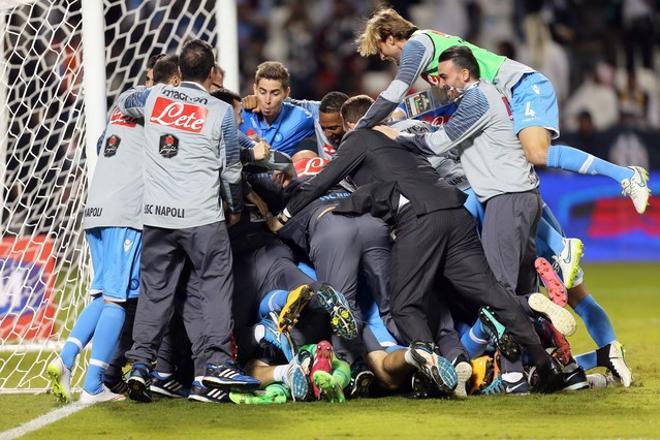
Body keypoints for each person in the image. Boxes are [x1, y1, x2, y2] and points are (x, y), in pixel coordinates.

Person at [271, 94, 567, 394]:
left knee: (404, 305)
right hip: (454, 209)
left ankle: (434, 370)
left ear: (352, 124)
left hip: (420, 218)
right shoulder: (397, 143)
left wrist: (286, 213)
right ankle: (545, 362)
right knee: (491, 293)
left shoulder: (357, 139)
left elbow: (322, 181)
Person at [354, 7, 650, 214]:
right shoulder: (434, 56)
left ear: (390, 37)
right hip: (502, 100)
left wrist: (364, 125)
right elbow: (434, 99)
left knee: (535, 155)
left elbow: (394, 91)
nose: (382, 56)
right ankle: (560, 248)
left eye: (381, 49)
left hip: (521, 85)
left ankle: (625, 176)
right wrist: (399, 115)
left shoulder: (417, 44)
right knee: (507, 174)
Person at [117, 39, 259, 402]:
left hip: (158, 217)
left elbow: (124, 101)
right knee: (212, 286)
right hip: (201, 217)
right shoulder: (220, 111)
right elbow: (230, 171)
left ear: (179, 72)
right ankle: (215, 363)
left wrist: (160, 88)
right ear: (213, 72)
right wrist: (235, 208)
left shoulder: (154, 98)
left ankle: (140, 363)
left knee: (155, 292)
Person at [239, 61, 315, 156]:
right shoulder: (241, 114)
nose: (267, 100)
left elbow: (331, 107)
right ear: (255, 89)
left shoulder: (301, 118)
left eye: (275, 94)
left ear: (286, 93)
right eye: (262, 92)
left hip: (281, 170)